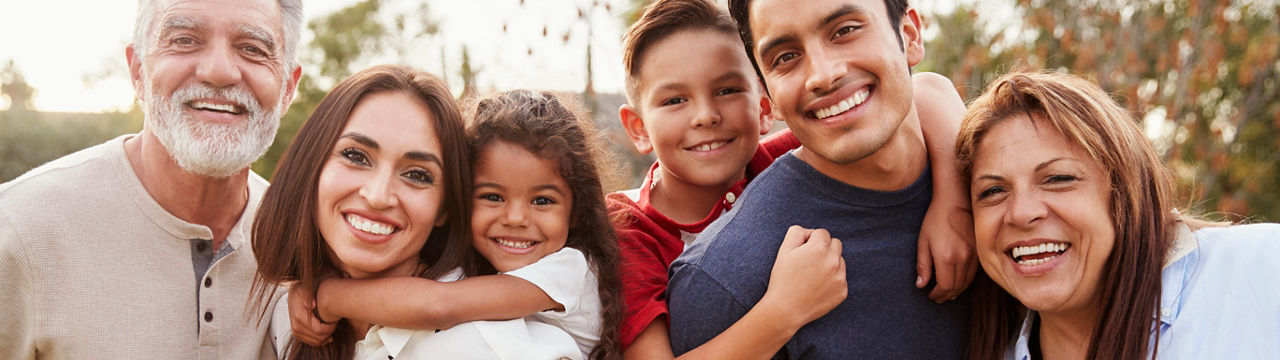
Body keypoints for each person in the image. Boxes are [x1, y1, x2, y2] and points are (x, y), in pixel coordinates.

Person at [610, 0, 973, 358]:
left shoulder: (775, 153)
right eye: (675, 100)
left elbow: (926, 88)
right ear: (638, 128)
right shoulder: (627, 232)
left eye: (727, 91)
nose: (705, 116)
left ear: (763, 107)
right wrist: (783, 311)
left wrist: (955, 200)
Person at [0, 0, 302, 358]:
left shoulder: (306, 243)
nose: (219, 72)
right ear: (138, 71)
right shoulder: (18, 227)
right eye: (185, 40)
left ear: (287, 88)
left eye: (252, 49)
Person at [268, 87, 624, 359]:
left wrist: (325, 295)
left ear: (576, 210)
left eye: (542, 201)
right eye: (492, 197)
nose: (515, 218)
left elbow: (438, 305)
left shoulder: (569, 269)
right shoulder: (277, 321)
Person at [959, 71, 1280, 359]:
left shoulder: (1262, 270)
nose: (1022, 213)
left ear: (1123, 191)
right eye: (993, 191)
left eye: (1058, 179)